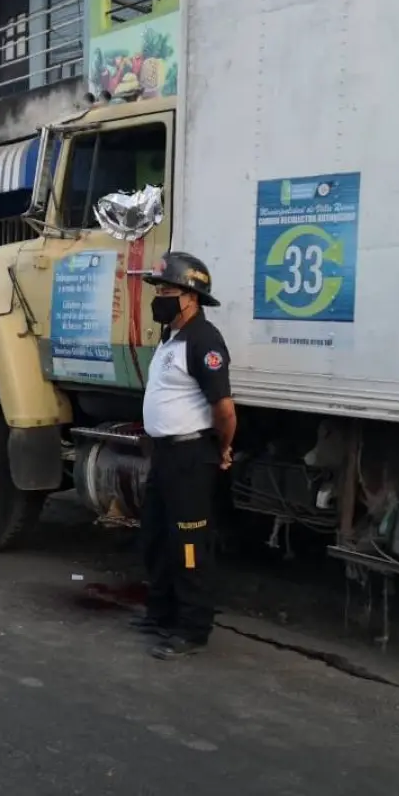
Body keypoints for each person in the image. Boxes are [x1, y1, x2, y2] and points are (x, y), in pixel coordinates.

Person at [131, 251, 236, 661]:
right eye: (158, 288)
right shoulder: (171, 337)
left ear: (191, 297)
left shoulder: (204, 340)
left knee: (189, 543)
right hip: (165, 456)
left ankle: (191, 628)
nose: (160, 296)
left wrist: (223, 447)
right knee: (156, 537)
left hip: (192, 456)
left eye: (168, 290)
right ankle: (160, 614)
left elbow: (224, 409)